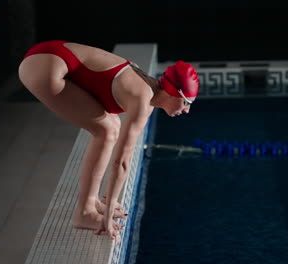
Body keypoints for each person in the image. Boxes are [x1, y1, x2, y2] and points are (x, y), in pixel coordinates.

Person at [18, 40, 199, 241]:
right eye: (187, 102)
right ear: (174, 92)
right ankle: (85, 213)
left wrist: (108, 202)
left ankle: (92, 201)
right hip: (44, 65)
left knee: (110, 126)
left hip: (47, 55)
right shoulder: (142, 98)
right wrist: (111, 207)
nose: (186, 110)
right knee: (106, 131)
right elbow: (121, 162)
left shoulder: (147, 88)